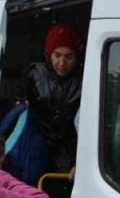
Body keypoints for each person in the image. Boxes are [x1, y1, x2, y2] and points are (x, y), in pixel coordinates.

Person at [21, 23, 83, 174]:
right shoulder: (34, 74)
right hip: (34, 151)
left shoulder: (85, 80)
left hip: (70, 155)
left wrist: (78, 162)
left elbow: (85, 127)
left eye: (69, 57)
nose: (62, 63)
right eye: (57, 55)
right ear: (49, 53)